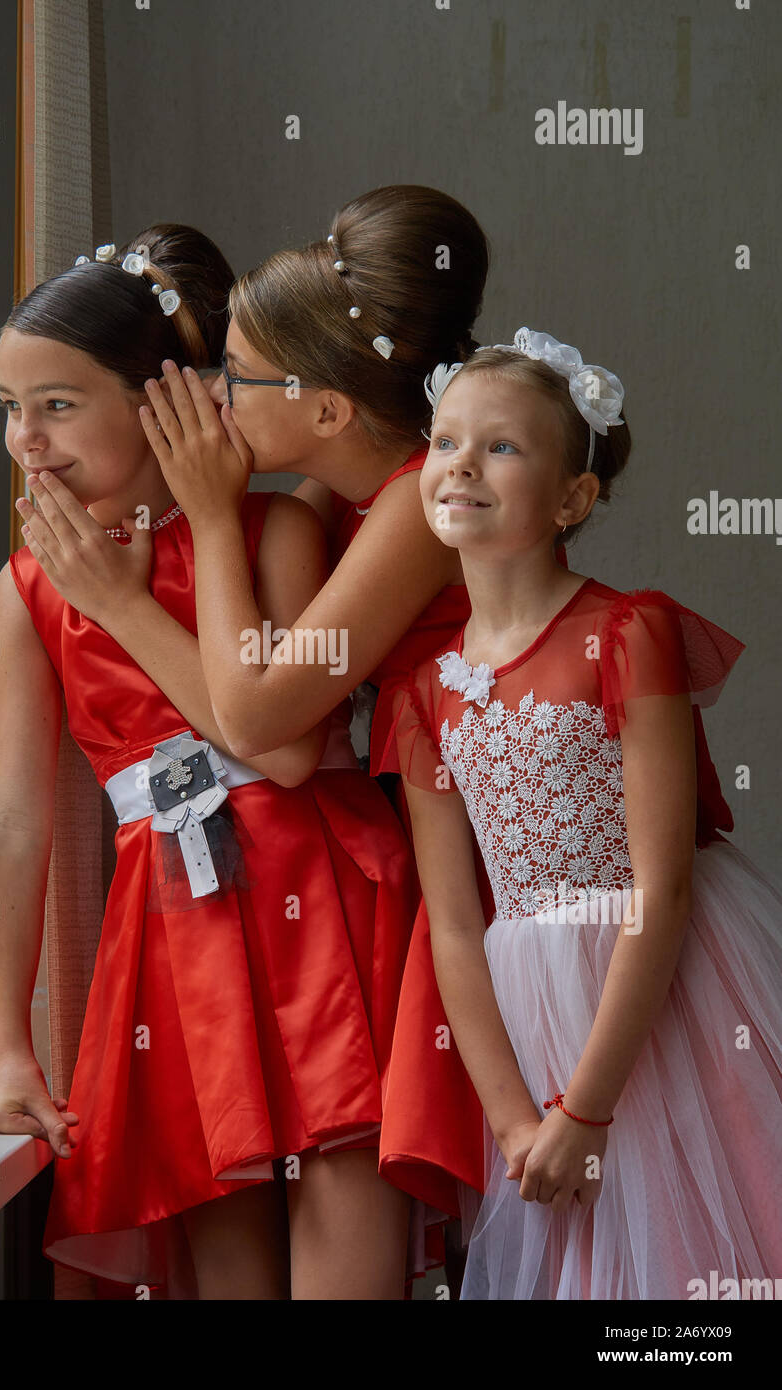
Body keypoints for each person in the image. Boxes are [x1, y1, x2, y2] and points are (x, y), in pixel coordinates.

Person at [23, 188, 512, 1272]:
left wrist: (190, 529)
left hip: (527, 867)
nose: (211, 396)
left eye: (234, 375)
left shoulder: (418, 505)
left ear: (327, 411)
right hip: (450, 851)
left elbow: (260, 721)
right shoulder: (339, 509)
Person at [0, 224, 420, 1300]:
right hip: (177, 941)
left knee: (347, 1247)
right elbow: (13, 820)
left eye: (59, 404)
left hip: (326, 919)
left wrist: (122, 604)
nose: (27, 440)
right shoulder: (27, 593)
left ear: (164, 401)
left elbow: (285, 745)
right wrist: (6, 1047)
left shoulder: (271, 533)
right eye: (10, 409)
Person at [389, 326, 782, 1298]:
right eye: (444, 442)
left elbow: (666, 883)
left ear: (573, 497)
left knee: (702, 1249)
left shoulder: (628, 633)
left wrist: (587, 1110)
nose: (462, 465)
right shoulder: (421, 692)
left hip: (666, 990)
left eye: (503, 446)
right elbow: (452, 928)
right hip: (531, 1014)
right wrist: (519, 1119)